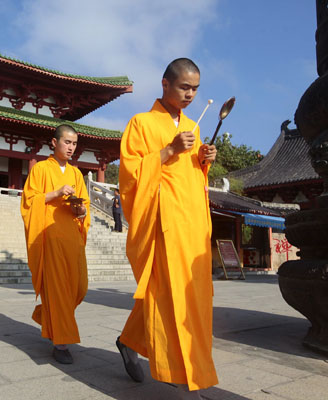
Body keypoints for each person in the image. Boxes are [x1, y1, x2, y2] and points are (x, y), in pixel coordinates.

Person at [115, 58, 218, 399]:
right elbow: (130, 175)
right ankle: (186, 380)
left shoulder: (194, 125)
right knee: (173, 297)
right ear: (165, 84)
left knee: (185, 295)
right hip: (162, 223)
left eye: (195, 89)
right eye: (184, 87)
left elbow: (190, 178)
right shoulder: (141, 123)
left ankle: (129, 341)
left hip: (191, 223)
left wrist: (203, 160)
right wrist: (170, 149)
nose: (190, 94)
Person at [20, 124, 90, 365]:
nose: (71, 148)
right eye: (66, 142)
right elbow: (29, 202)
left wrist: (81, 210)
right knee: (58, 289)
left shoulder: (77, 173)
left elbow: (85, 208)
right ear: (54, 142)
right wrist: (56, 192)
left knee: (79, 287)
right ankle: (61, 343)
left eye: (74, 144)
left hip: (72, 238)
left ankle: (48, 316)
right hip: (49, 239)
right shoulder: (40, 169)